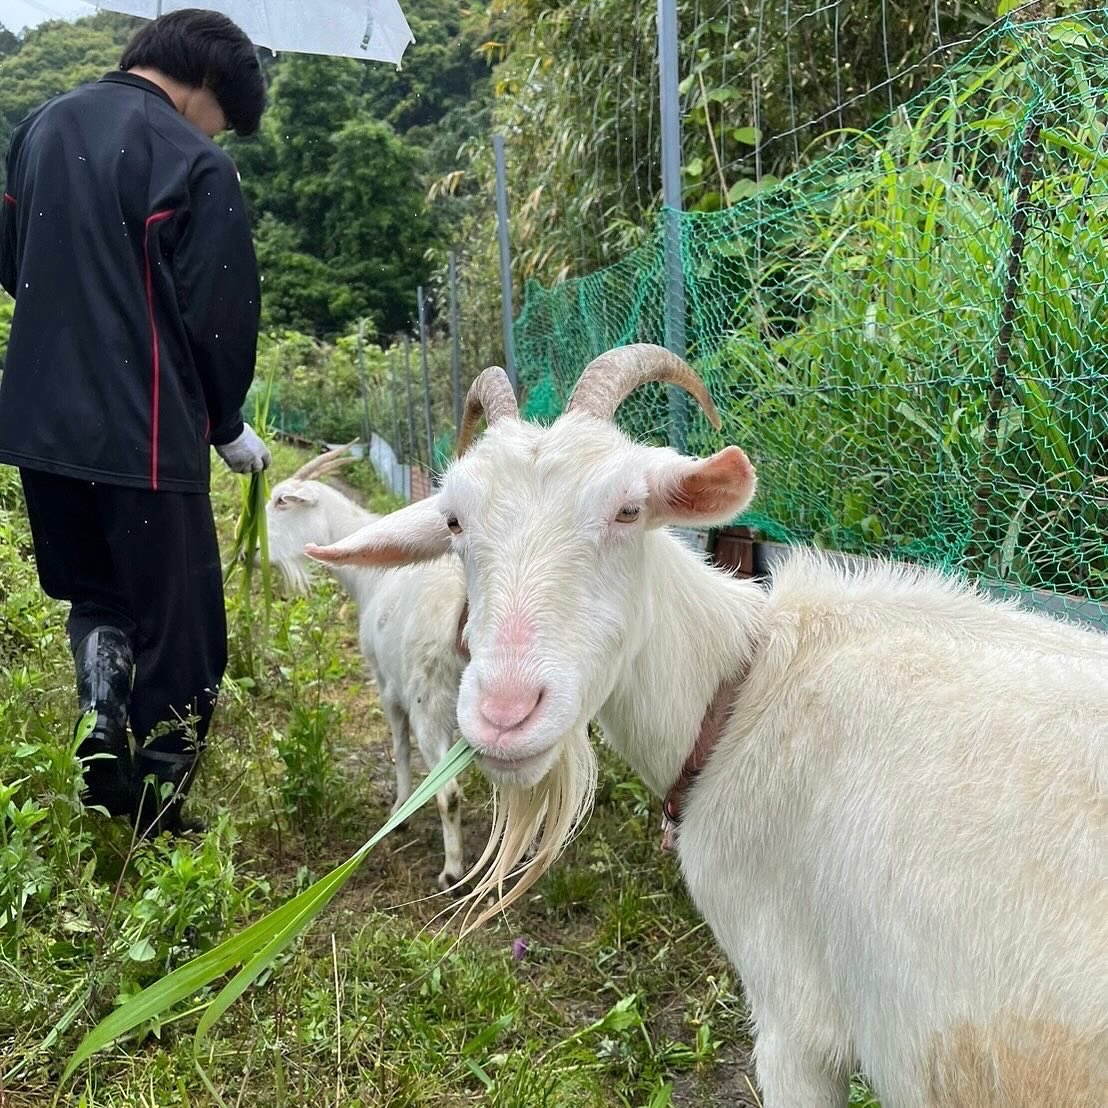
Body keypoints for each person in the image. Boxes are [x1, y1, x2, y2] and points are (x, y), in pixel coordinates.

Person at [0, 10, 271, 837]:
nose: (219, 132)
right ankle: (153, 812)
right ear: (205, 89)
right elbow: (219, 316)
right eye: (225, 117)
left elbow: (13, 259)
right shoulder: (193, 162)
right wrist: (225, 423)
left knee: (97, 596)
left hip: (40, 429)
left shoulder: (39, 129)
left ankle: (100, 742)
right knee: (183, 634)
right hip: (146, 433)